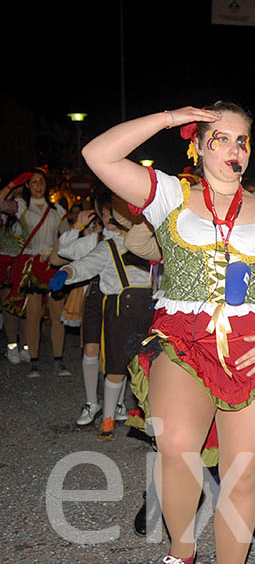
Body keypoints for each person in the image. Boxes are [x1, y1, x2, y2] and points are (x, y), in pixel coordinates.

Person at [82, 102, 255, 564]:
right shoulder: (170, 194)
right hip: (183, 342)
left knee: (240, 477)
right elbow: (97, 154)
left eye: (242, 141)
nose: (234, 150)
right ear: (197, 145)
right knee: (175, 448)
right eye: (221, 139)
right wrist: (170, 117)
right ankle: (181, 553)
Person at [50, 191, 153, 440]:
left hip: (147, 309)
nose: (110, 218)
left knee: (148, 367)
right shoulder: (106, 245)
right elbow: (85, 263)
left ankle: (146, 416)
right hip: (118, 308)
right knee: (115, 363)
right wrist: (68, 272)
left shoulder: (149, 243)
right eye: (106, 213)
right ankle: (105, 415)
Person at [1, 166, 70, 377]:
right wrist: (12, 184)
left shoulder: (57, 210)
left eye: (41, 181)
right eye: (33, 182)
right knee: (33, 316)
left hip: (52, 265)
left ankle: (58, 360)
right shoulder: (21, 207)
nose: (38, 186)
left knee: (58, 315)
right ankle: (34, 361)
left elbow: (67, 239)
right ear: (28, 186)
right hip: (31, 267)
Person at [0, 177, 28, 364]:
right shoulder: (4, 214)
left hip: (24, 262)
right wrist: (10, 184)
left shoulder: (23, 206)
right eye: (13, 190)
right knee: (9, 307)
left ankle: (26, 346)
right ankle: (12, 346)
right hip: (5, 263)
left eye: (19, 189)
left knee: (25, 307)